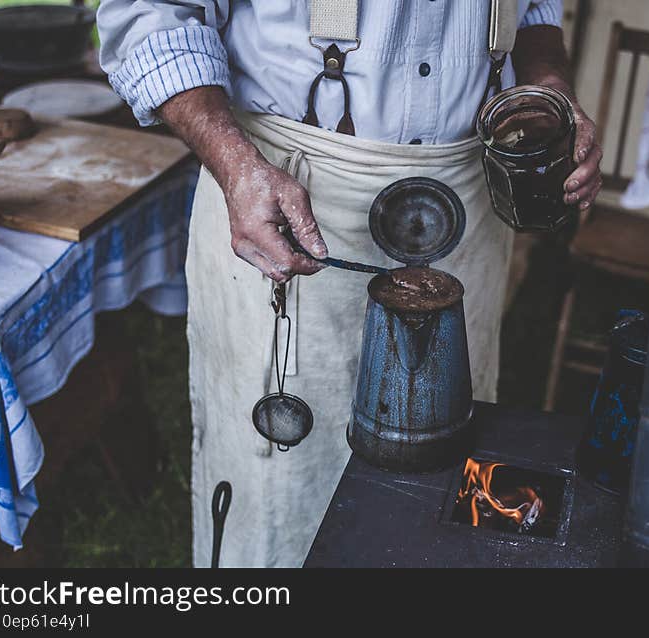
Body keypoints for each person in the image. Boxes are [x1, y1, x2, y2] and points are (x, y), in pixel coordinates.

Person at [97, 0, 602, 567]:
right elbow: (153, 16)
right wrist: (237, 166)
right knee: (282, 483)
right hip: (283, 190)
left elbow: (536, 11)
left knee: (442, 464)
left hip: (467, 201)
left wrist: (549, 91)